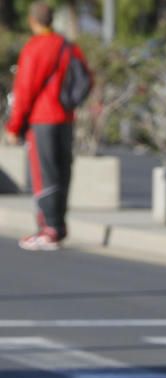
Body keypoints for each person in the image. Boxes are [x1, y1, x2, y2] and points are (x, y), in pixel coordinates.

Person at [5, 1, 89, 252]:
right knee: (62, 171)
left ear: (32, 21)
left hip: (42, 119)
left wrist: (14, 125)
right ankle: (58, 226)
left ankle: (48, 229)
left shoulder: (35, 48)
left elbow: (25, 89)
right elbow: (86, 78)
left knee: (44, 174)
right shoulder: (68, 46)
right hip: (65, 117)